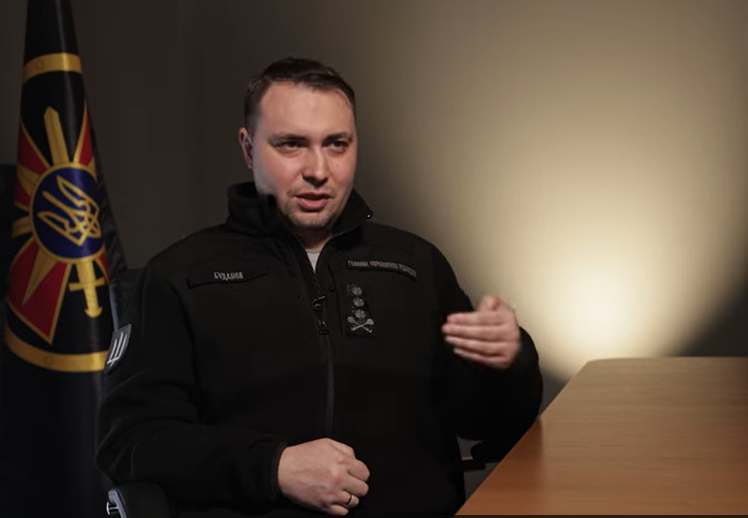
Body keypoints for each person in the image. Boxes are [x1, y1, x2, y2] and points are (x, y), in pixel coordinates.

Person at [95, 57, 543, 517]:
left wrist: (509, 363)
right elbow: (129, 439)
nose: (318, 169)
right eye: (291, 145)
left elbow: (491, 425)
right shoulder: (179, 276)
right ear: (248, 149)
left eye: (336, 144)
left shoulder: (416, 265)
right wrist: (273, 467)